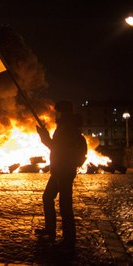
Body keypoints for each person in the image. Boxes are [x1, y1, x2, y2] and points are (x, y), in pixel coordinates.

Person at [35, 100, 87, 252]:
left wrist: (44, 137)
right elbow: (57, 147)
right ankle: (50, 230)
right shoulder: (65, 127)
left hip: (63, 172)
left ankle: (69, 240)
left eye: (57, 112)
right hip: (59, 170)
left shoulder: (67, 129)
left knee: (65, 206)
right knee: (47, 197)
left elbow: (56, 148)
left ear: (63, 112)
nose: (55, 114)